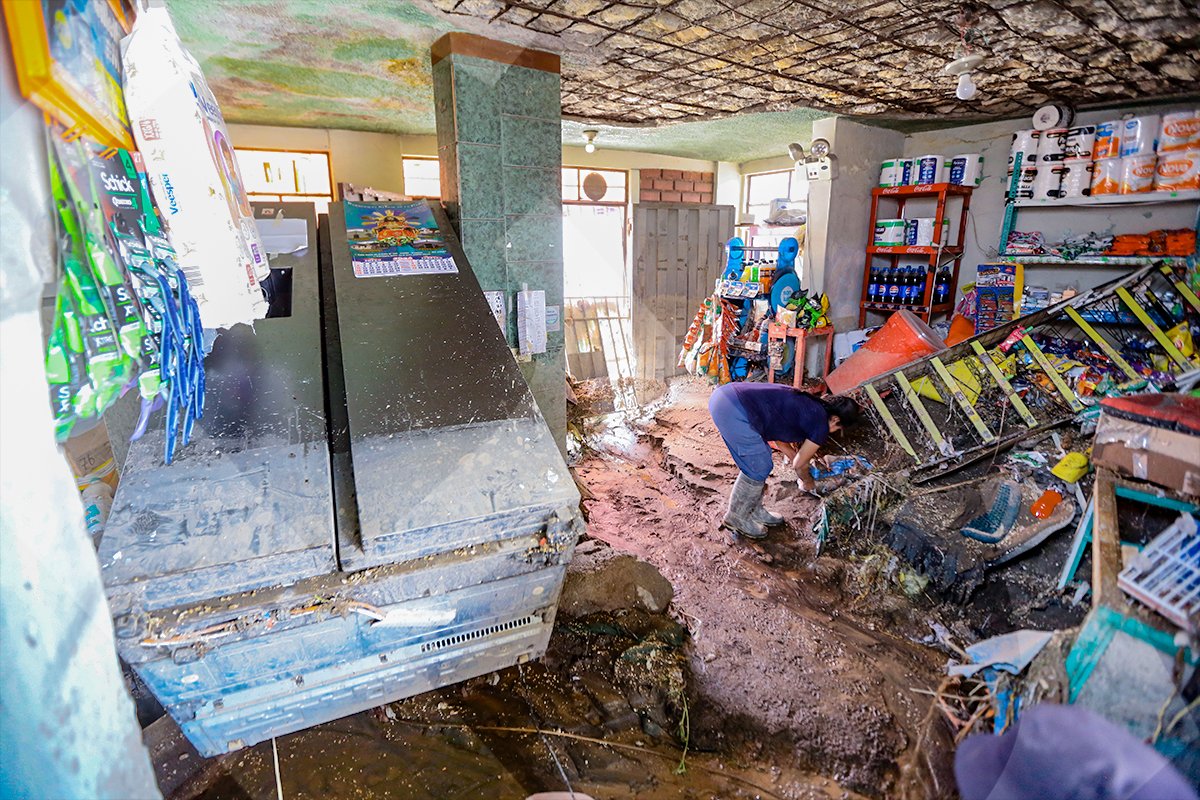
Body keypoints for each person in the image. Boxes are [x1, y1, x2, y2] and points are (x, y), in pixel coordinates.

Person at [708, 382, 860, 539]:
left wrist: (800, 461)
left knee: (760, 460)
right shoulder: (820, 424)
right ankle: (736, 517)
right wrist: (808, 482)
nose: (834, 432)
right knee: (759, 466)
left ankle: (753, 510)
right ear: (835, 419)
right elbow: (799, 465)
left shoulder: (812, 405)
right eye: (838, 429)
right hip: (733, 409)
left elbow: (781, 439)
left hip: (726, 397)